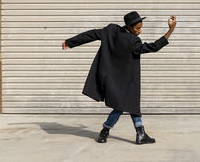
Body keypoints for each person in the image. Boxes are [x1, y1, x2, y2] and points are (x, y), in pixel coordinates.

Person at [62, 11, 177, 144]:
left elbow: (91, 34)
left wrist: (70, 42)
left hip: (110, 78)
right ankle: (125, 132)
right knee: (126, 104)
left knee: (125, 105)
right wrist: (170, 30)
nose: (139, 31)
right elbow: (153, 47)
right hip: (127, 81)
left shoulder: (111, 31)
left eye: (141, 28)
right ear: (129, 27)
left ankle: (115, 132)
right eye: (137, 28)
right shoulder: (134, 41)